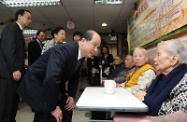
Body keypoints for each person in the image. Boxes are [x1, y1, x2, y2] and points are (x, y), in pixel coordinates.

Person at [17, 30, 101, 122]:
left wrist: (71, 96)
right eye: (94, 45)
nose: (96, 50)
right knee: (49, 117)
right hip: (37, 83)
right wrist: (52, 108)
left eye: (98, 47)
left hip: (51, 84)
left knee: (67, 109)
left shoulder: (81, 55)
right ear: (83, 41)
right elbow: (51, 78)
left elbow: (74, 76)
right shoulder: (64, 50)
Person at [134, 39, 187, 116]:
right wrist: (139, 93)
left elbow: (175, 112)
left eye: (158, 55)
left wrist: (145, 100)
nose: (155, 59)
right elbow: (143, 92)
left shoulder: (184, 80)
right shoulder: (160, 78)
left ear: (173, 60)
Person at [0, 9, 31, 122]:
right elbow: (9, 50)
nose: (29, 20)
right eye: (28, 17)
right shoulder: (11, 28)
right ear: (19, 17)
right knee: (6, 106)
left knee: (13, 105)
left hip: (15, 76)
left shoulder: (18, 31)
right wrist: (15, 69)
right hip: (9, 75)